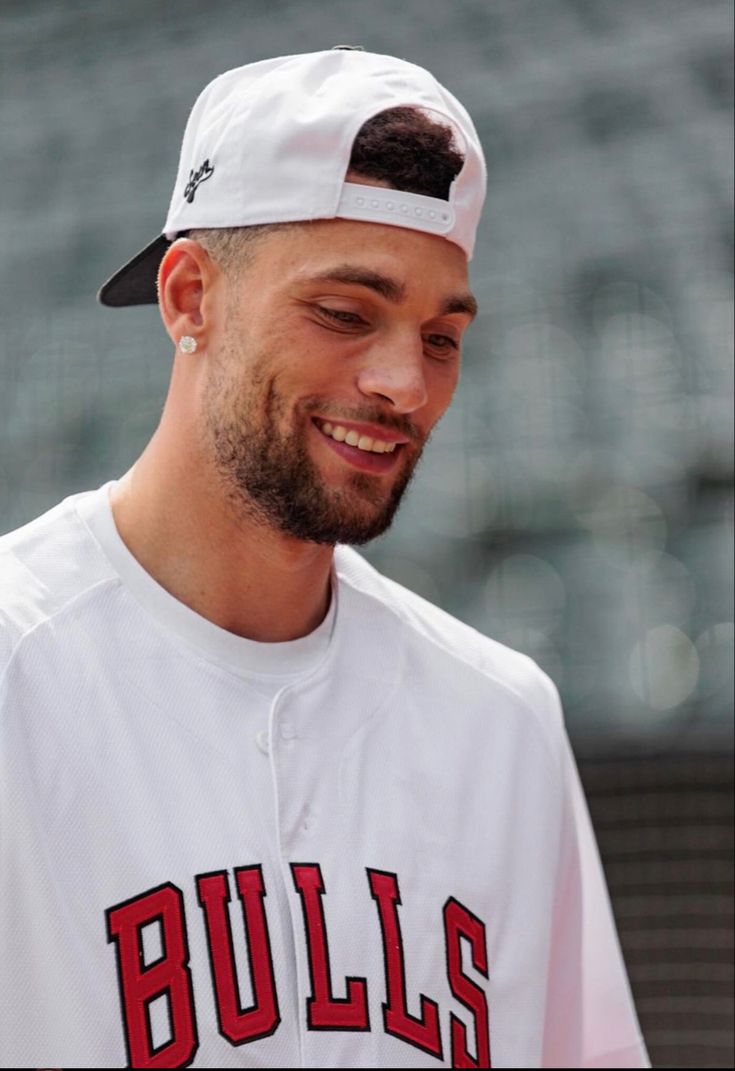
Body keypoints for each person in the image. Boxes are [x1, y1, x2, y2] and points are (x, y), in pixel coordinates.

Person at [0, 47, 650, 1069]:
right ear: (189, 297)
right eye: (344, 314)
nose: (404, 383)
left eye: (441, 335)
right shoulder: (15, 665)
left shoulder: (502, 721)